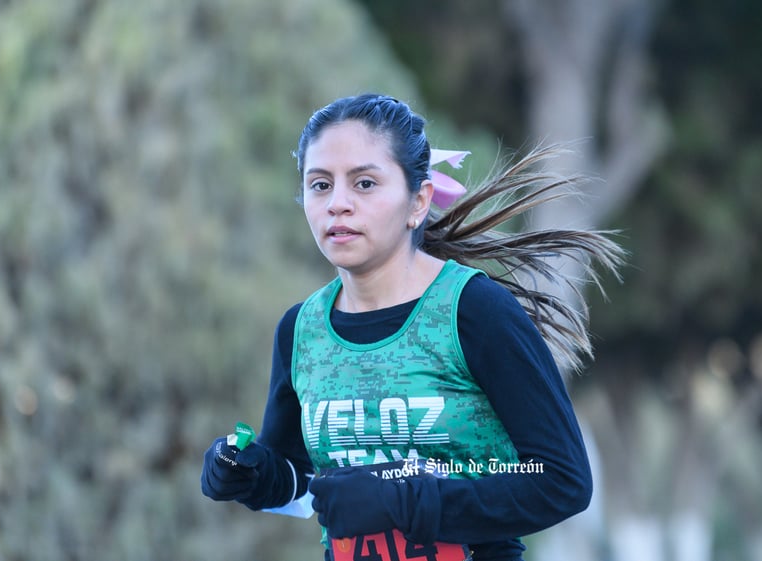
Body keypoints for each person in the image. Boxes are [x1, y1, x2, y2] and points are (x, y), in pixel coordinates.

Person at [201, 93, 623, 560]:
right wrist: (252, 474)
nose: (337, 204)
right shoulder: (300, 330)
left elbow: (562, 480)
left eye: (363, 183)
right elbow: (302, 484)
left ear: (418, 201)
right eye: (320, 185)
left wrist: (405, 501)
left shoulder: (475, 311)